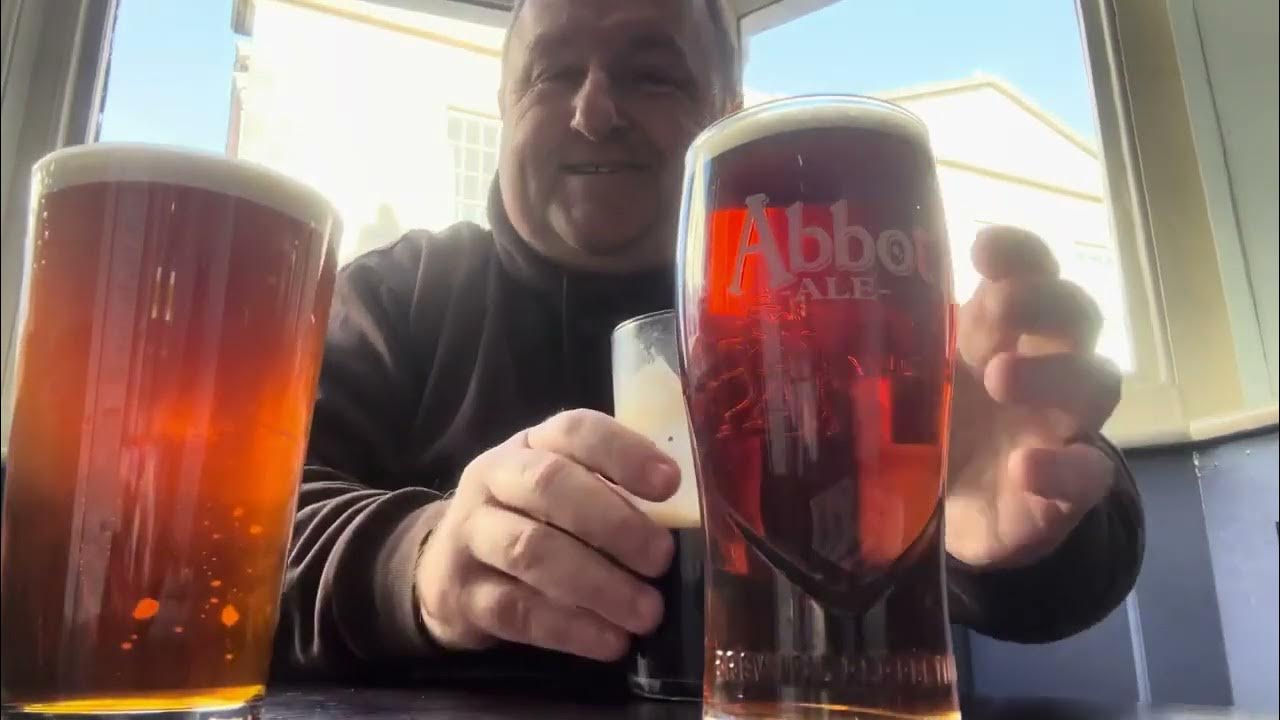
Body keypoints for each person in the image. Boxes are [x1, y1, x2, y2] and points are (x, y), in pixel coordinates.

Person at [271, 0, 1143, 687]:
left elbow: (1075, 571)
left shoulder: (820, 300)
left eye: (652, 75)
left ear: (725, 113)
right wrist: (417, 565)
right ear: (505, 105)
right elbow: (238, 534)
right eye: (553, 73)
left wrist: (1012, 520)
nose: (594, 111)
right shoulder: (398, 294)